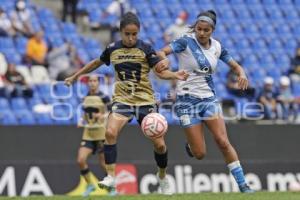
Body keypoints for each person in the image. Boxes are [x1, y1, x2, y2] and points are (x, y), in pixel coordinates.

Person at [65, 12, 189, 194]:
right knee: (110, 131)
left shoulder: (146, 48)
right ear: (121, 32)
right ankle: (111, 177)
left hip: (145, 101)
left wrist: (175, 74)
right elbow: (95, 63)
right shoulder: (112, 49)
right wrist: (76, 76)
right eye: (127, 34)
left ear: (138, 33)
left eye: (134, 34)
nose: (131, 38)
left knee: (160, 145)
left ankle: (162, 176)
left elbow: (159, 72)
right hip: (123, 100)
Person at [157, 10, 254, 193]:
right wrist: (164, 61)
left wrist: (241, 73)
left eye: (206, 30)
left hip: (209, 100)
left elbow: (235, 65)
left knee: (223, 141)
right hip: (186, 102)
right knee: (200, 154)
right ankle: (191, 147)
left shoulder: (217, 46)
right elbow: (162, 51)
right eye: (199, 29)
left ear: (212, 30)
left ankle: (243, 185)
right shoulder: (185, 41)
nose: (201, 33)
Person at [77, 75, 110, 197]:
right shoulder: (85, 97)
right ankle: (90, 185)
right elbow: (85, 113)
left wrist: (103, 116)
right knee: (81, 160)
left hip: (101, 134)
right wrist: (81, 120)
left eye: (94, 81)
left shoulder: (104, 97)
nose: (92, 83)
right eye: (90, 81)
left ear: (98, 83)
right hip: (88, 133)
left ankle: (111, 187)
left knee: (103, 163)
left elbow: (112, 111)